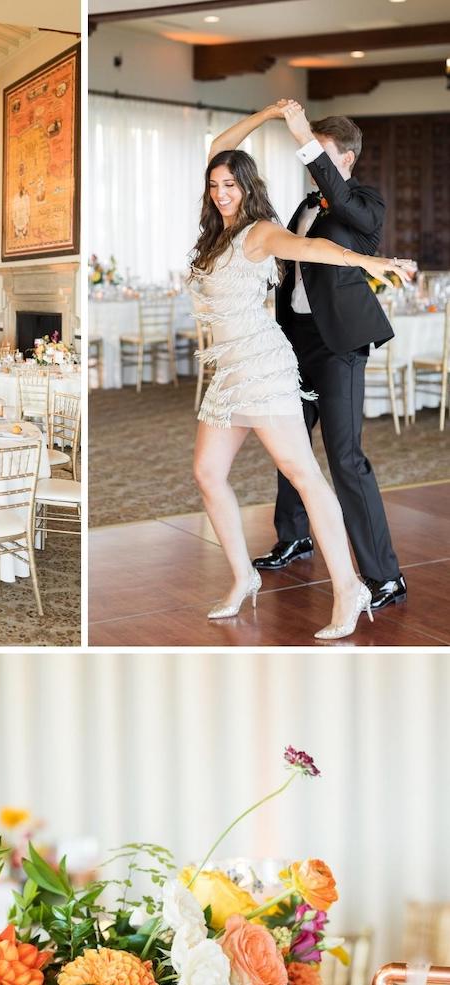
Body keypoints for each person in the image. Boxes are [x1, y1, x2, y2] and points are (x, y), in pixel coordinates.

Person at [191, 101, 414, 640]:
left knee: (330, 463)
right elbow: (222, 151)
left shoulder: (342, 205)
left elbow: (319, 246)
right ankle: (251, 570)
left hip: (309, 352)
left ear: (347, 160)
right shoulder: (234, 225)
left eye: (230, 185)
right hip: (253, 357)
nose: (222, 191)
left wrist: (374, 263)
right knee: (210, 472)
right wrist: (267, 113)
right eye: (215, 185)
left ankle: (361, 582)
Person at [252, 105, 408, 612]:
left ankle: (385, 575)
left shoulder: (365, 204)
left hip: (338, 343)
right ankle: (294, 535)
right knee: (289, 443)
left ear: (344, 157)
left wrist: (303, 139)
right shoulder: (304, 204)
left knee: (345, 457)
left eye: (318, 152)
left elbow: (341, 204)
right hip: (292, 339)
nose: (308, 161)